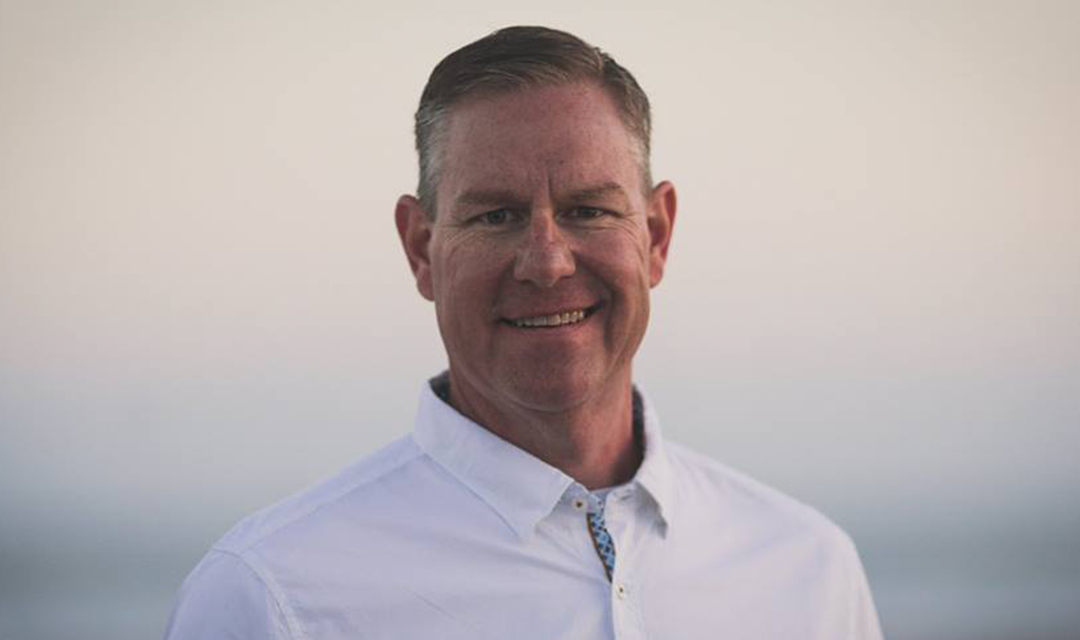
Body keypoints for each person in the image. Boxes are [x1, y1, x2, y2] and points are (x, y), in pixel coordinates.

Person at [164, 26, 884, 639]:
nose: (547, 262)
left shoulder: (808, 571)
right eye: (496, 216)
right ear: (421, 249)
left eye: (588, 210)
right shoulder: (272, 596)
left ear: (657, 236)